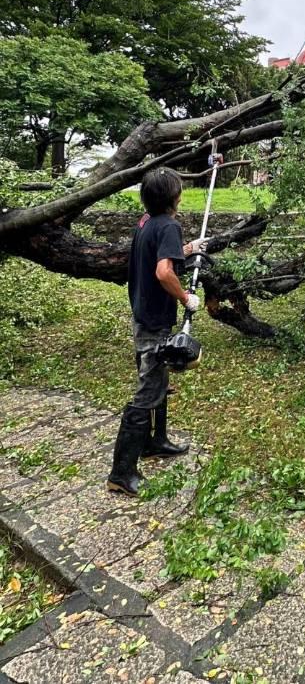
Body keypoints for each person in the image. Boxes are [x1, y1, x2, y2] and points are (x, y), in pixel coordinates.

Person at [106, 166, 207, 496]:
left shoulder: (145, 223)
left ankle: (155, 441)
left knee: (159, 378)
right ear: (173, 197)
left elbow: (155, 257)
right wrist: (186, 297)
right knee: (148, 389)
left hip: (142, 312)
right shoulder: (169, 225)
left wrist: (187, 250)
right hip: (154, 320)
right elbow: (164, 272)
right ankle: (121, 473)